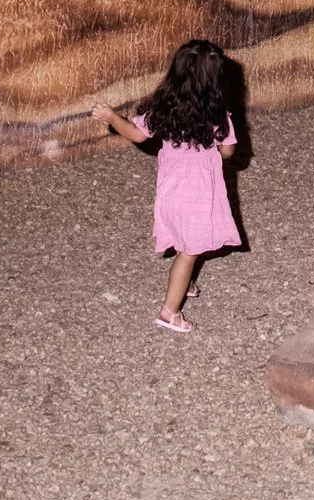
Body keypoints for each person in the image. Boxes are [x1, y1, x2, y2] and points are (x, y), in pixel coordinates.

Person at [92, 39, 243, 332]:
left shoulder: (162, 108)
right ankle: (169, 312)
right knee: (190, 251)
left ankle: (183, 283)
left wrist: (112, 117)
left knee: (184, 240)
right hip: (198, 194)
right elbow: (228, 152)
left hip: (171, 190)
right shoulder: (217, 116)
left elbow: (136, 135)